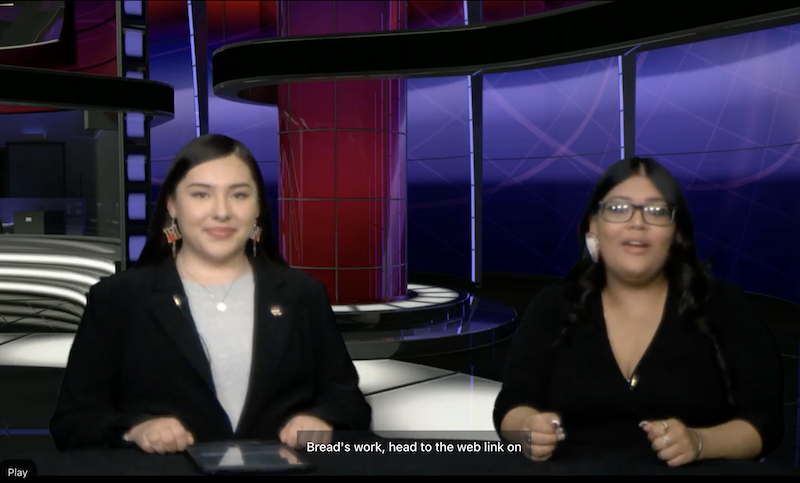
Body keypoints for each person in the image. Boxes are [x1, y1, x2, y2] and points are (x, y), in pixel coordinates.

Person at [50, 134, 372, 453]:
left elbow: (350, 405)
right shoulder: (117, 299)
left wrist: (322, 420)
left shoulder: (304, 295)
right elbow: (72, 423)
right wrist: (135, 430)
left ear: (258, 206)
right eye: (201, 195)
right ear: (172, 205)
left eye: (239, 195)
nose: (222, 212)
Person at [493, 157, 784, 467]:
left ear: (674, 231)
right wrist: (527, 430)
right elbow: (512, 403)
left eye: (656, 211)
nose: (637, 222)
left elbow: (765, 422)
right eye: (619, 208)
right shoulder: (553, 305)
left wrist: (701, 443)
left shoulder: (725, 306)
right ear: (594, 225)